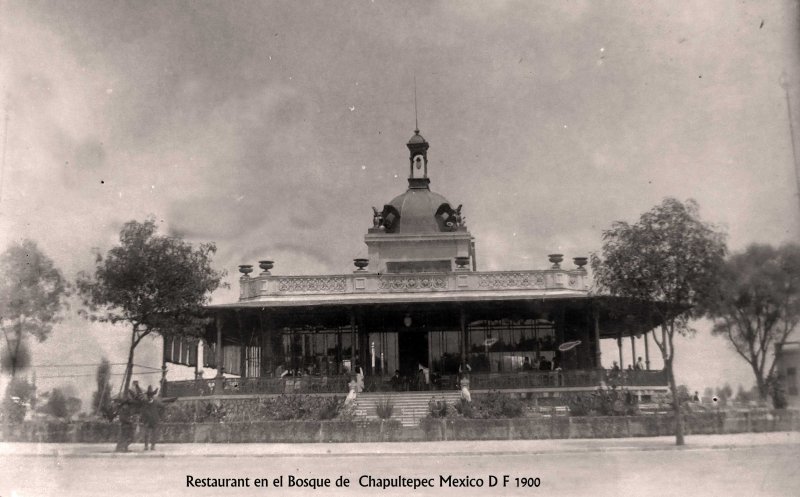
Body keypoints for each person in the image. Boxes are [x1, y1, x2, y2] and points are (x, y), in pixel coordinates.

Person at [141, 386, 160, 451]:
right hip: (147, 421)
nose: (149, 397)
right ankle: (146, 446)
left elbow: (163, 407)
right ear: (147, 396)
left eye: (151, 395)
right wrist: (143, 419)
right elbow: (142, 411)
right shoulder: (144, 402)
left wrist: (158, 415)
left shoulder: (156, 402)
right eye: (148, 395)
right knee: (146, 434)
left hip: (154, 420)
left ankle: (153, 446)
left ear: (153, 396)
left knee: (154, 434)